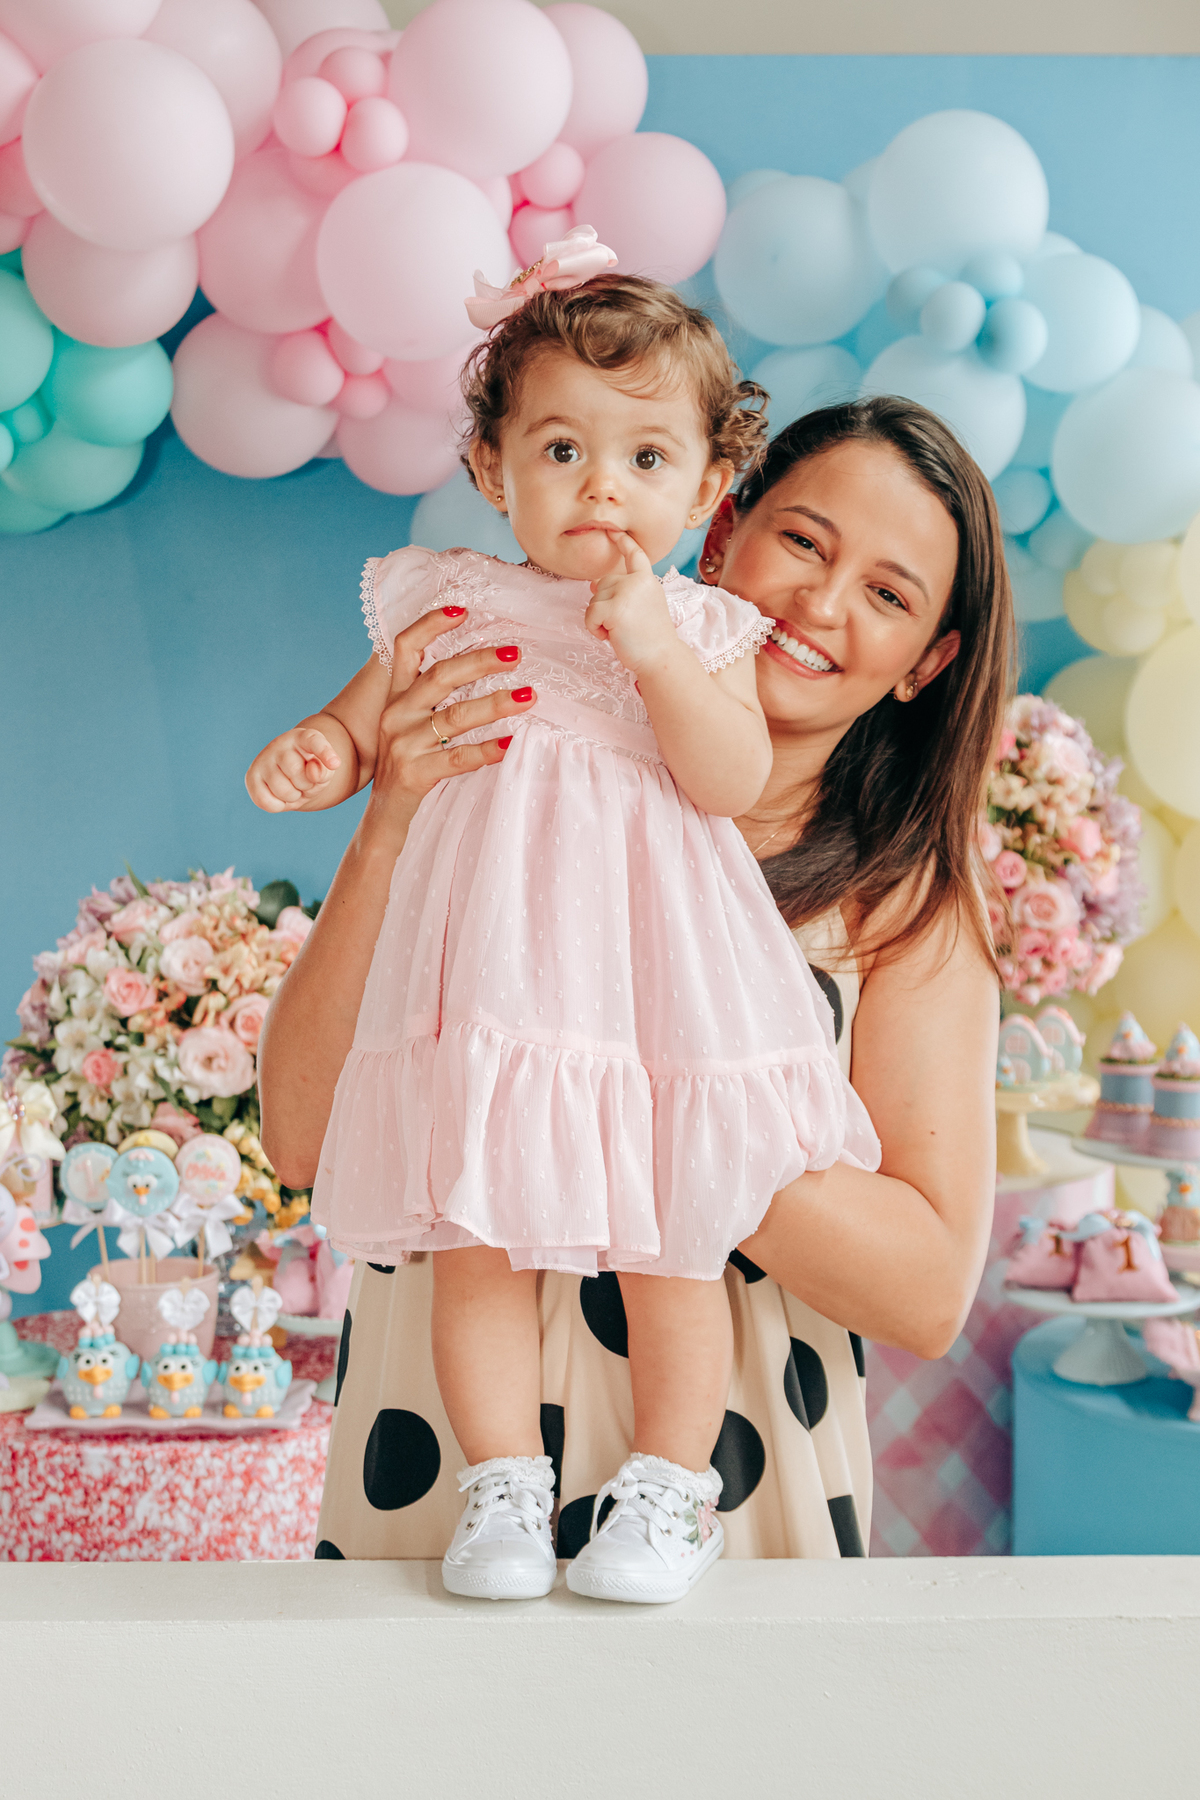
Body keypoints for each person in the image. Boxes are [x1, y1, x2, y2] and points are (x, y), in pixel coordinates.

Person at [259, 394, 1009, 1575]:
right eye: (804, 542)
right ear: (719, 534)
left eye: (889, 594)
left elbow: (923, 1292)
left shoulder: (900, 911)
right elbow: (302, 1140)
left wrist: (643, 1082)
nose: (819, 604)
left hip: (735, 1496)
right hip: (439, 1480)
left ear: (928, 663)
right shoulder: (490, 790)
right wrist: (389, 819)